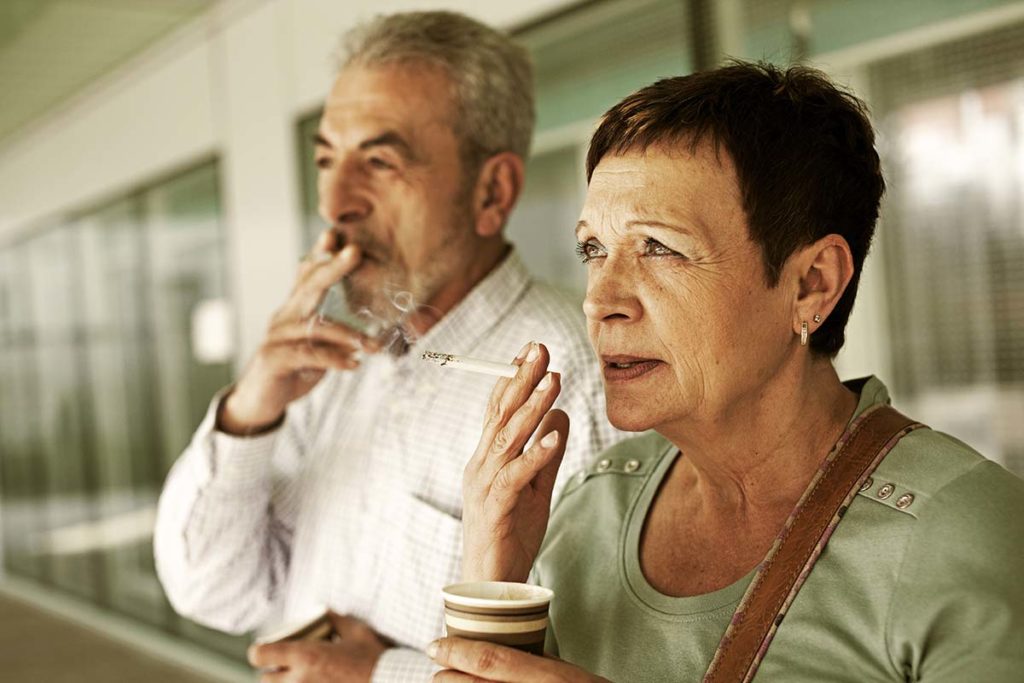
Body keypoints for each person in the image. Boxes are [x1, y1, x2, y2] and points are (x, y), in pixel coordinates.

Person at [427, 62, 1024, 682]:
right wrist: (490, 584)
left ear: (811, 285)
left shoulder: (967, 530)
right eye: (593, 249)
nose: (600, 300)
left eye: (659, 247)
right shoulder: (593, 506)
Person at [153, 11, 621, 682]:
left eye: (378, 160)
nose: (335, 202)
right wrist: (251, 411)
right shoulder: (338, 368)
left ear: (492, 192)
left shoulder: (572, 378)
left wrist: (382, 673)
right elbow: (213, 588)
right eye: (325, 159)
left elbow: (603, 657)